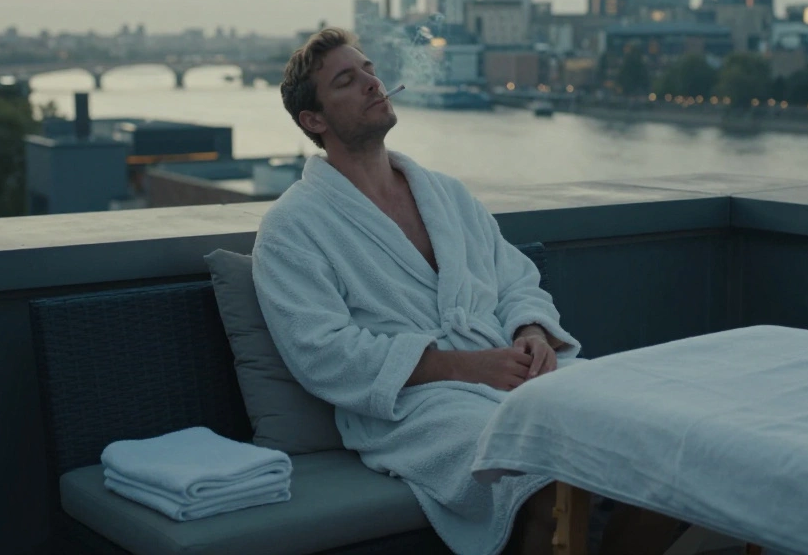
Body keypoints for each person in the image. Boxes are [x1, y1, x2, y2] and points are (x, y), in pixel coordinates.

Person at [251, 28, 684, 555]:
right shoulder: (293, 227)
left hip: (510, 371)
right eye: (347, 80)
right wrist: (467, 367)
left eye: (368, 69)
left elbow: (516, 279)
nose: (371, 82)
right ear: (313, 120)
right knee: (539, 476)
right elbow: (323, 353)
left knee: (663, 438)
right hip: (415, 409)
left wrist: (531, 332)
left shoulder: (445, 194)